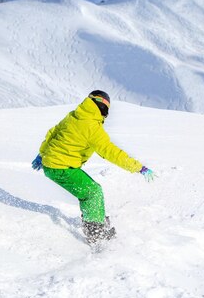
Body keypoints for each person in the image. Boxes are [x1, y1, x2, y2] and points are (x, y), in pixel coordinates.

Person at [32, 90, 155, 245]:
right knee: (92, 193)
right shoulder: (92, 128)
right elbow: (111, 152)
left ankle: (98, 222)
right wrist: (138, 167)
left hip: (56, 164)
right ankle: (96, 234)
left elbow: (53, 133)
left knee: (93, 190)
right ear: (102, 108)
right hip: (60, 167)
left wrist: (42, 154)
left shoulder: (75, 115)